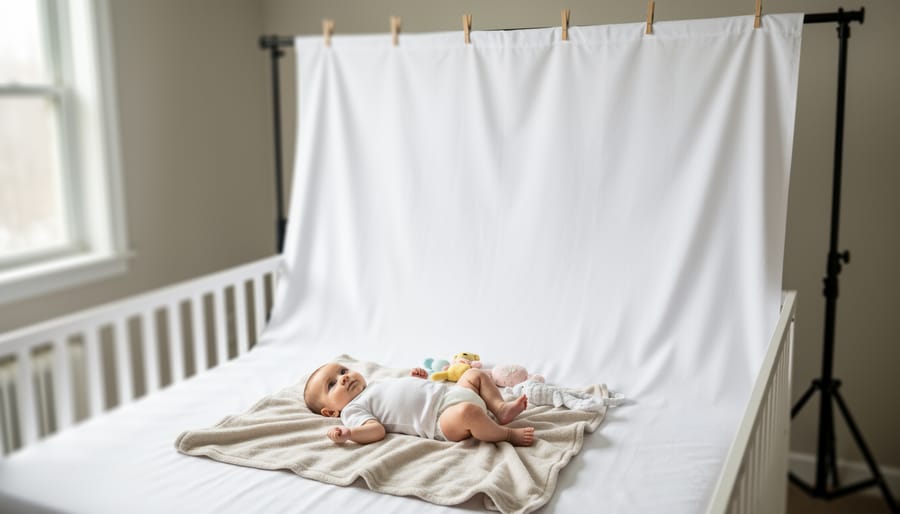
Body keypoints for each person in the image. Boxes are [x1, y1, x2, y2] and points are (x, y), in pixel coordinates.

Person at [303, 362, 536, 446]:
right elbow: (375, 430)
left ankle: (500, 408)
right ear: (330, 411)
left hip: (449, 394)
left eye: (343, 371)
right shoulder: (352, 410)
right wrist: (349, 433)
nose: (343, 377)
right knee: (469, 413)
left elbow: (403, 395)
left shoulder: (374, 384)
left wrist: (416, 380)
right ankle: (506, 434)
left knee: (476, 376)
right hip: (439, 421)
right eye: (332, 385)